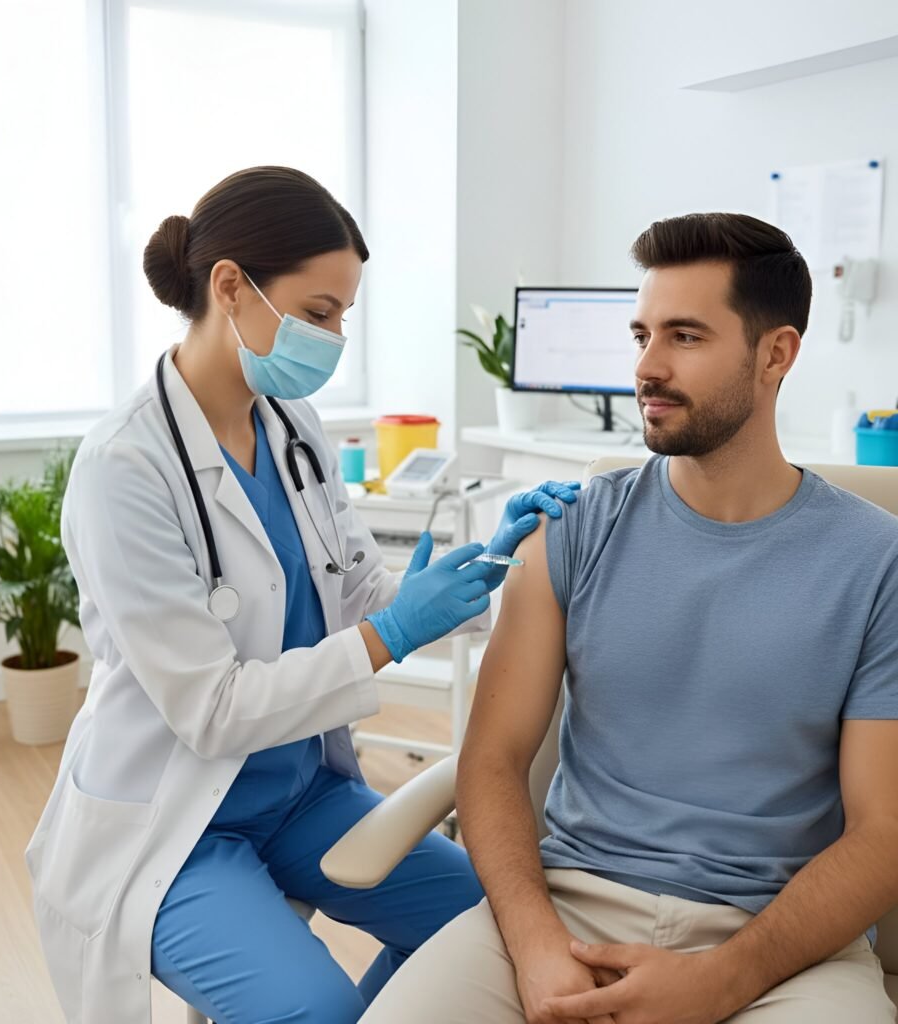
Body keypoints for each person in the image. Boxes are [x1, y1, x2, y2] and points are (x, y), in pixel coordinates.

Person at [24, 165, 579, 1024]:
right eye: (319, 313)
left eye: (343, 316)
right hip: (176, 824)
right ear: (230, 287)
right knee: (315, 1009)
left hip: (298, 792)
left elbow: (352, 592)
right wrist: (393, 629)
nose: (334, 336)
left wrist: (476, 570)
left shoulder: (292, 428)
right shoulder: (123, 468)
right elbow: (210, 711)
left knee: (495, 924)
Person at [359, 212, 898, 1024]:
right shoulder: (571, 527)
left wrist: (722, 980)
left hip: (783, 947)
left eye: (685, 336)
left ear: (776, 354)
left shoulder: (876, 562)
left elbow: (882, 832)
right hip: (566, 912)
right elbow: (494, 759)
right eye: (641, 334)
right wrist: (537, 948)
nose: (646, 367)